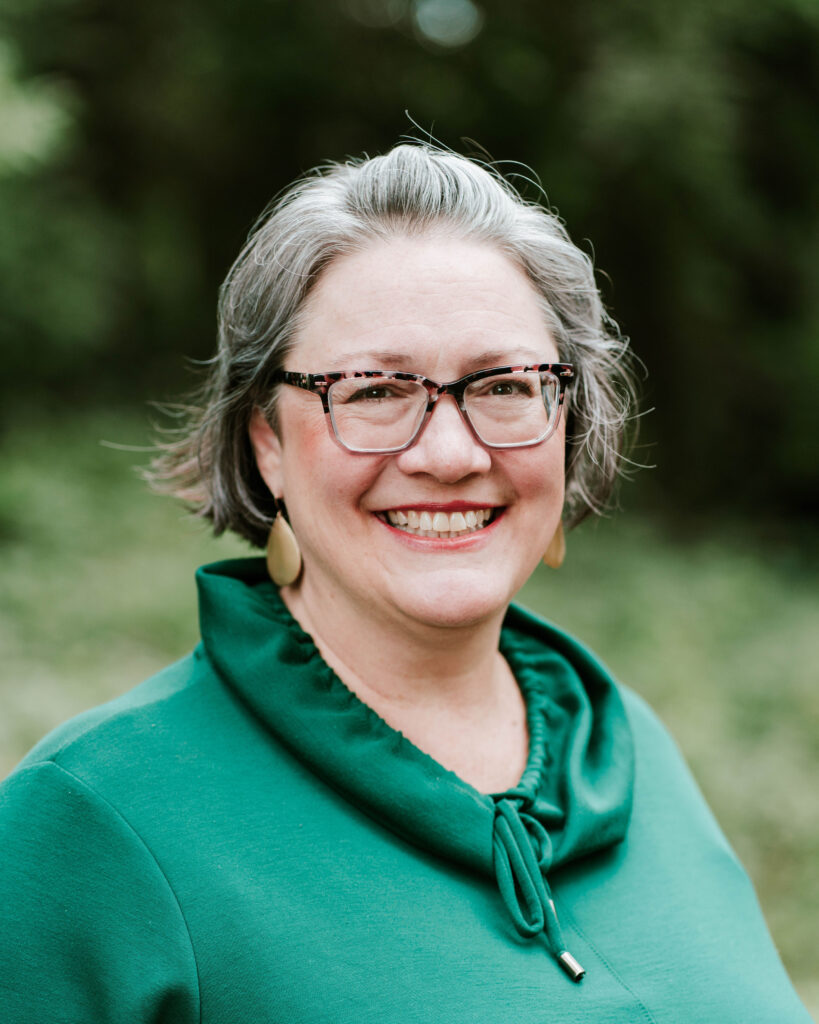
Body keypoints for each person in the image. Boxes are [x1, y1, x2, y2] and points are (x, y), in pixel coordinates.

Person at [0, 143, 810, 1023]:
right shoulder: (90, 822)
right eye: (376, 391)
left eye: (503, 384)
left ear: (567, 421)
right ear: (266, 442)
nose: (450, 454)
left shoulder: (623, 747)